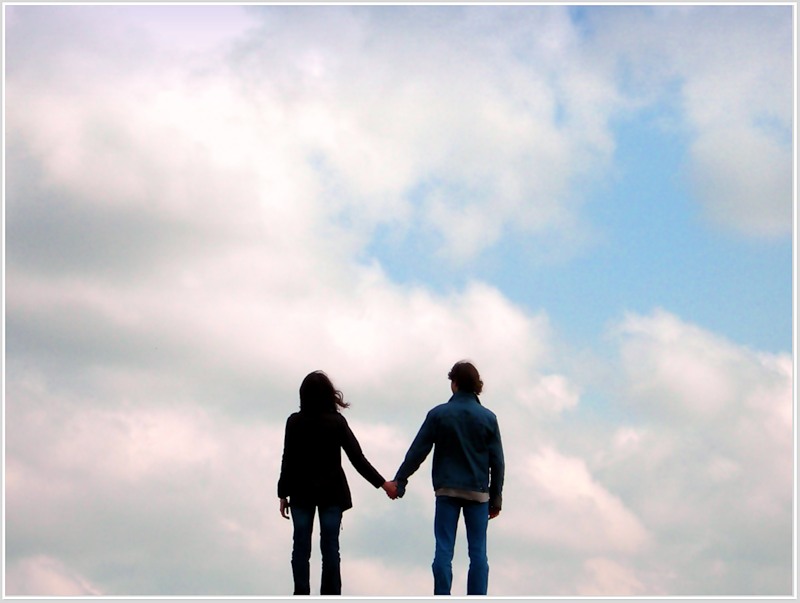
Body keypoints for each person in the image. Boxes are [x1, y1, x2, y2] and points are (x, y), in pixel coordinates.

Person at [278, 370, 398, 595]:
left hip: (301, 493)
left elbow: (288, 459)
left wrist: (283, 493)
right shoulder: (337, 422)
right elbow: (357, 458)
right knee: (330, 548)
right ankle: (331, 595)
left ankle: (301, 594)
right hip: (332, 493)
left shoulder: (294, 422)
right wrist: (384, 484)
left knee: (301, 547)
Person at [390, 361, 504, 596]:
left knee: (443, 550)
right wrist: (496, 498)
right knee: (478, 554)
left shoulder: (438, 414)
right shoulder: (488, 418)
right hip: (478, 493)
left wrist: (400, 480)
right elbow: (498, 462)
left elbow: (417, 451)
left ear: (454, 383)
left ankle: (442, 595)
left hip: (447, 490)